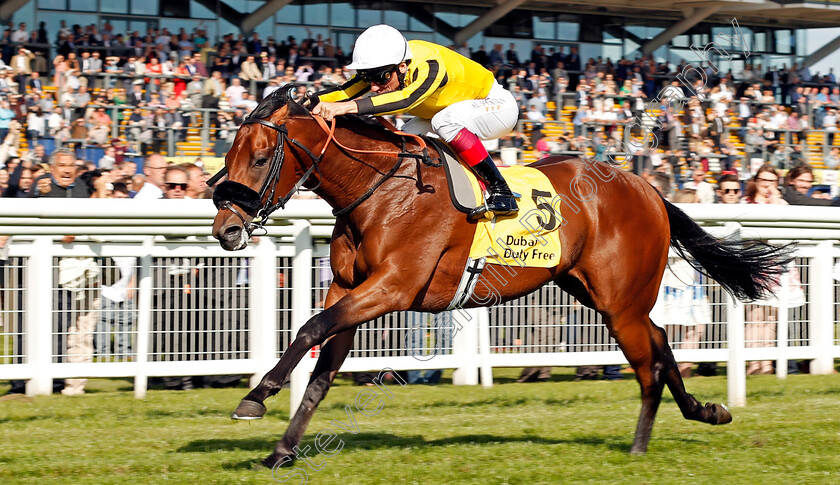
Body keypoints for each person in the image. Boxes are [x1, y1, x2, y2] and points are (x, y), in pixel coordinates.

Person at [313, 25, 519, 220]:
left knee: (444, 121)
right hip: (450, 110)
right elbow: (343, 92)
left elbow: (406, 99)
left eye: (381, 79)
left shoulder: (431, 65)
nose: (374, 87)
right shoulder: (389, 64)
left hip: (496, 106)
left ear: (402, 67)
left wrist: (347, 107)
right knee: (405, 138)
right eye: (370, 80)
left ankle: (502, 191)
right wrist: (307, 101)